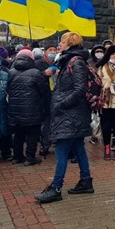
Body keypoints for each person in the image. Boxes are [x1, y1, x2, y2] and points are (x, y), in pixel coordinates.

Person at [35, 32, 94, 204]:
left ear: (70, 43)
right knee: (78, 147)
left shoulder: (76, 63)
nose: (59, 44)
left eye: (62, 41)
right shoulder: (68, 60)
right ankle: (86, 181)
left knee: (61, 149)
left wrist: (61, 104)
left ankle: (56, 188)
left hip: (71, 114)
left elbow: (80, 89)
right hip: (71, 114)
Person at [7, 49, 50, 166]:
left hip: (15, 109)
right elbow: (44, 91)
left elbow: (8, 89)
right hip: (33, 109)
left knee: (18, 134)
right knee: (32, 134)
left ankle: (17, 156)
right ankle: (30, 157)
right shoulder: (36, 73)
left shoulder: (11, 72)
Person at [39, 43, 58, 157]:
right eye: (50, 50)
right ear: (45, 52)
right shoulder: (39, 64)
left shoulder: (59, 63)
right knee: (46, 123)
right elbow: (34, 78)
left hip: (57, 97)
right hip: (45, 97)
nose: (53, 52)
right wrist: (44, 74)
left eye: (54, 50)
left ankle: (56, 141)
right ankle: (44, 145)